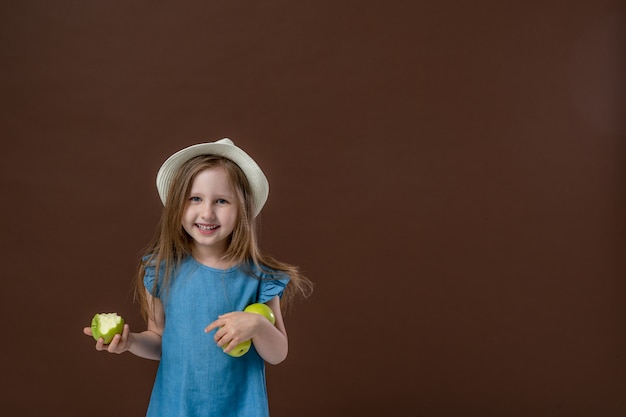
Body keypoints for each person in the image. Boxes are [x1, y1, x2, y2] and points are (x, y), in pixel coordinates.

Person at [83, 138, 312, 416]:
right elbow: (160, 341)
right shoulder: (161, 271)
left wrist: (258, 326)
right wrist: (130, 343)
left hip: (239, 409)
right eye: (195, 199)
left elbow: (278, 354)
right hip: (176, 408)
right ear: (178, 205)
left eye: (221, 201)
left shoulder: (259, 277)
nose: (206, 212)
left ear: (242, 209)